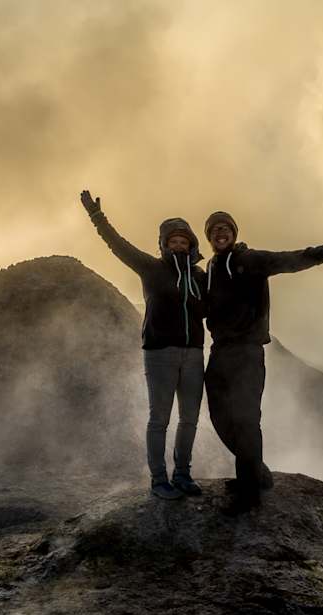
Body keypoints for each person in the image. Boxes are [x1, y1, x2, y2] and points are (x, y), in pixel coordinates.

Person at [202, 210, 323, 509]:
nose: (220, 233)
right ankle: (257, 473)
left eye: (225, 228)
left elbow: (293, 259)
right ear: (209, 238)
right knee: (218, 416)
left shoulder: (251, 260)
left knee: (247, 419)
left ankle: (249, 493)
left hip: (248, 351)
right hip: (219, 351)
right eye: (214, 230)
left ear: (234, 233)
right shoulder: (211, 268)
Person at [81, 189, 207, 500]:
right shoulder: (151, 268)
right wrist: (98, 218)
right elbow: (118, 246)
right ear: (164, 244)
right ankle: (158, 479)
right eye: (172, 240)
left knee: (189, 418)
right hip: (160, 353)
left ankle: (182, 474)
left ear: (192, 245)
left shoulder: (200, 275)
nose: (179, 244)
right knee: (160, 419)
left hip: (193, 355)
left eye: (184, 240)